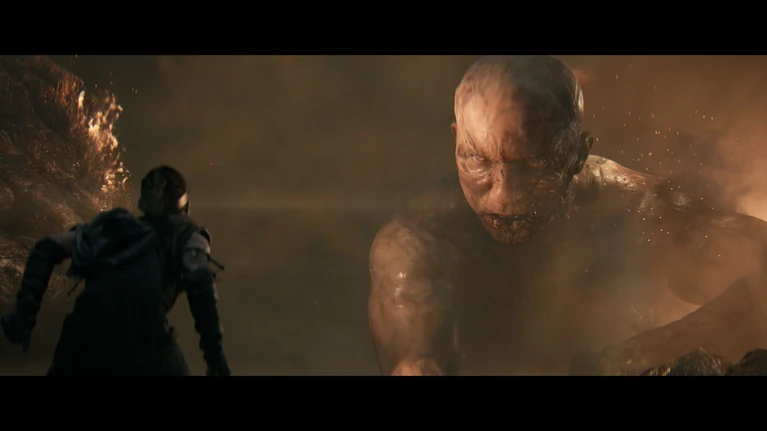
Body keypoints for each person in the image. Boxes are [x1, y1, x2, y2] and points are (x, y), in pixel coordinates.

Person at [367, 55, 767, 376]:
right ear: (456, 140)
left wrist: (632, 358)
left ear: (578, 153)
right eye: (478, 161)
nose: (504, 198)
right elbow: (412, 352)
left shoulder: (633, 207)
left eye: (534, 165)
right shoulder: (417, 242)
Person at [1, 166, 230, 376]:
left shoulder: (112, 230)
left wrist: (25, 313)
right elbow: (200, 283)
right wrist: (215, 355)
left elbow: (48, 248)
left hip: (83, 340)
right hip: (142, 342)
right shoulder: (188, 236)